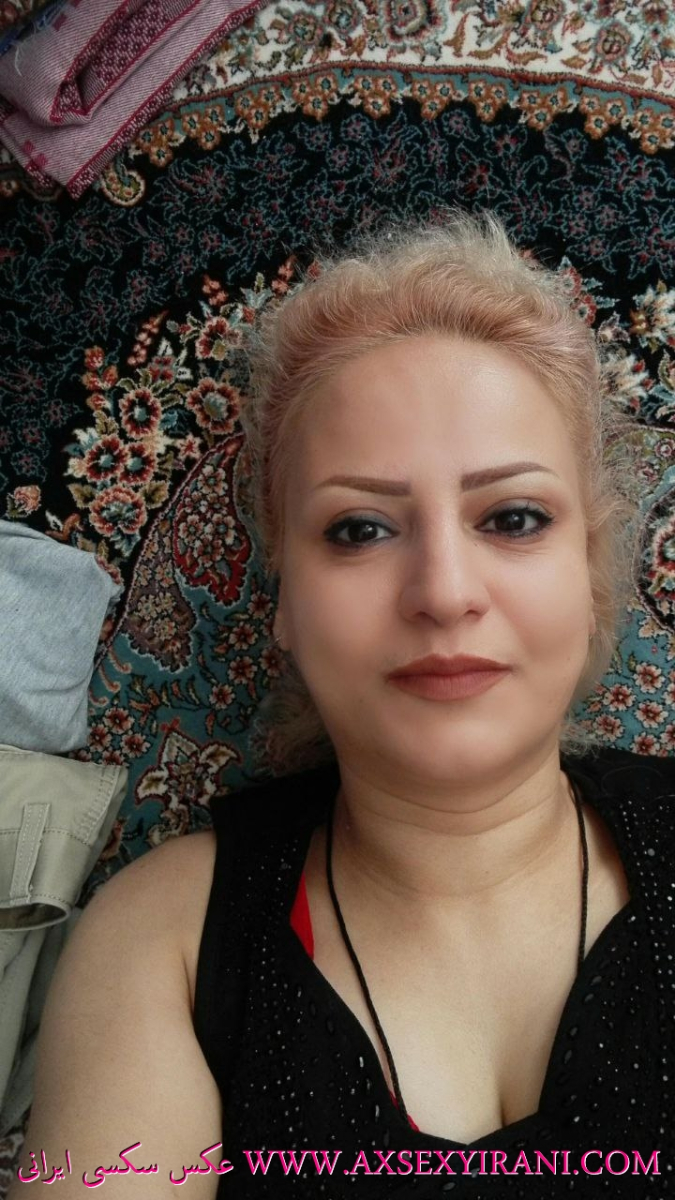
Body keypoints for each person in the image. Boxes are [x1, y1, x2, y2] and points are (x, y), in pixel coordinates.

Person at [9, 210, 675, 1199]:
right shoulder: (167, 942)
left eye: (512, 517)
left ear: (590, 572)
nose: (444, 591)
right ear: (284, 600)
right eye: (359, 529)